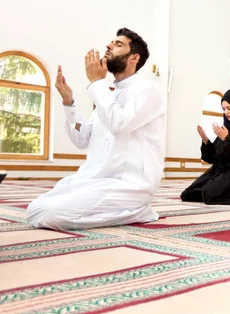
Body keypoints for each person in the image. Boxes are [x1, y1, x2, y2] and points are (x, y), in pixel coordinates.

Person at [27, 28, 166, 230]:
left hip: (128, 185)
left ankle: (138, 210)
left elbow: (119, 124)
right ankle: (123, 211)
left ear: (134, 58)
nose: (109, 46)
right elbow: (82, 139)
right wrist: (69, 102)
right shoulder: (107, 96)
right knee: (35, 209)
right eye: (111, 42)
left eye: (118, 44)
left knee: (51, 215)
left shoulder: (148, 91)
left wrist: (97, 82)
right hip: (94, 179)